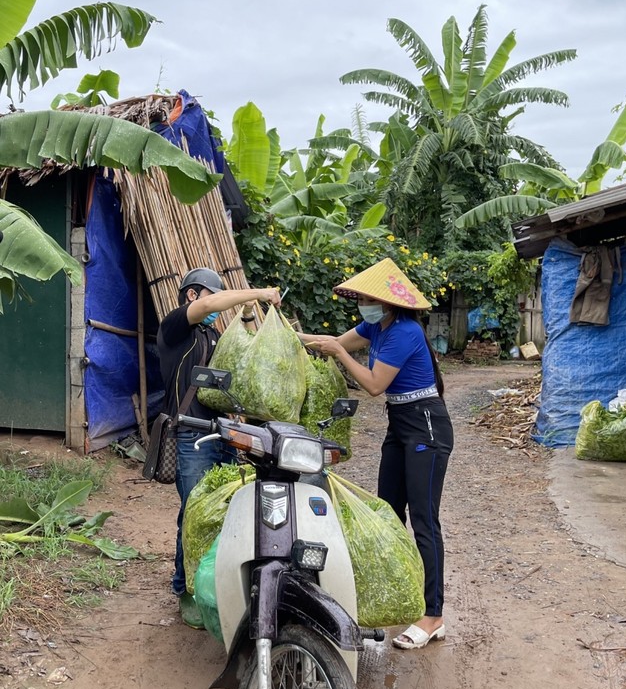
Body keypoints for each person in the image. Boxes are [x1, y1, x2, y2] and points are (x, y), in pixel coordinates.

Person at [299, 257, 453, 650]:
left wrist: (338, 352)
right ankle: (398, 599)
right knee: (386, 513)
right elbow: (333, 342)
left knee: (423, 519)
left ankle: (433, 615)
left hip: (426, 426)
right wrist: (289, 335)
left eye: (367, 298)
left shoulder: (405, 332)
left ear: (385, 302)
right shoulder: (375, 326)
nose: (361, 304)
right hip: (399, 425)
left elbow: (372, 384)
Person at [157, 267, 281, 628]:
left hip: (222, 435)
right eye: (209, 297)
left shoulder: (212, 334)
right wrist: (257, 292)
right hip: (191, 437)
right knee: (194, 514)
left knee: (224, 515)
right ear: (192, 295)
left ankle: (215, 584)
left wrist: (247, 318)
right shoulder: (175, 327)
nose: (213, 308)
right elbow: (211, 303)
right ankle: (185, 590)